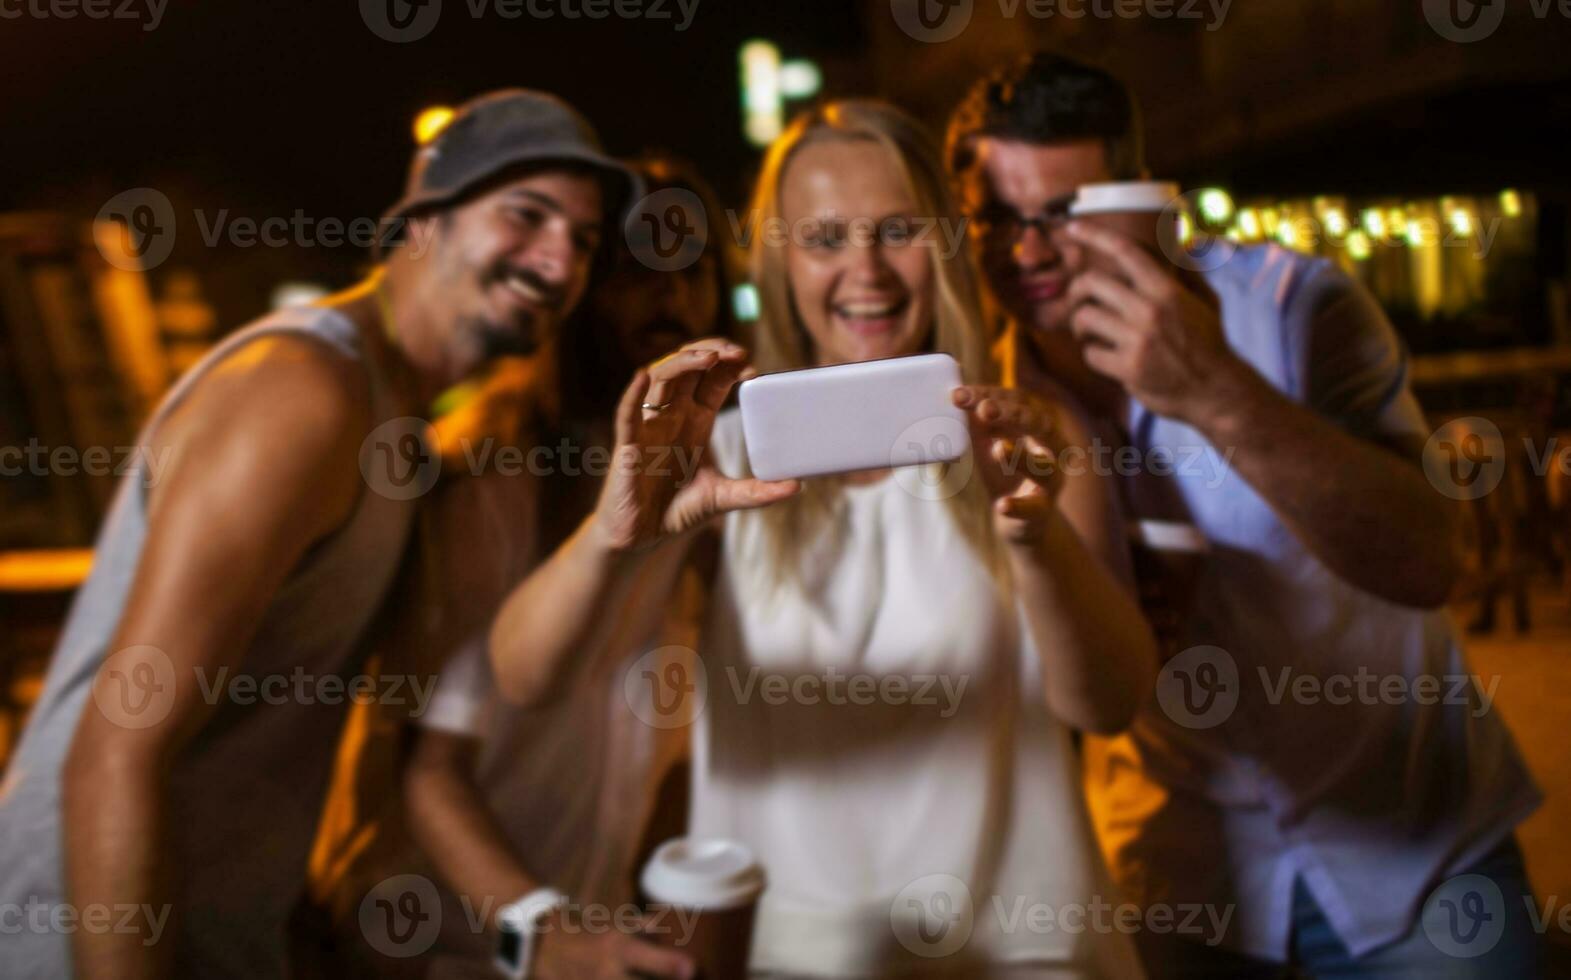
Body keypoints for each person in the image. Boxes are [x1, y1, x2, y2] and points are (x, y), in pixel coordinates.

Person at [487, 100, 1157, 978]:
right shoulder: (719, 458)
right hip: (788, 958)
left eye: (896, 230)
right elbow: (523, 678)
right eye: (825, 238)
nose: (866, 271)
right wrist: (614, 533)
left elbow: (1106, 705)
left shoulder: (1028, 438)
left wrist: (1032, 537)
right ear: (779, 263)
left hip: (1026, 951)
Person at [0, 88, 639, 979]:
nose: (558, 260)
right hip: (77, 942)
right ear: (421, 222)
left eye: (584, 239)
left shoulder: (401, 434)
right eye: (526, 216)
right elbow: (115, 750)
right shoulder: (305, 389)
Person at [946, 52, 1543, 977]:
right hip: (1188, 880)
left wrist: (1215, 393)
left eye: (1062, 214)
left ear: (1138, 198)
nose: (1027, 254)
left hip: (1421, 862)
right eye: (997, 220)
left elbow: (1437, 559)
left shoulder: (1293, 304)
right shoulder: (979, 403)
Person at [396, 157, 736, 980]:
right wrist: (537, 929)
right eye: (634, 269)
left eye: (691, 266)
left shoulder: (700, 464)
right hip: (450, 933)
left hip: (593, 928)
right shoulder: (493, 463)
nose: (670, 294)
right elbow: (424, 764)